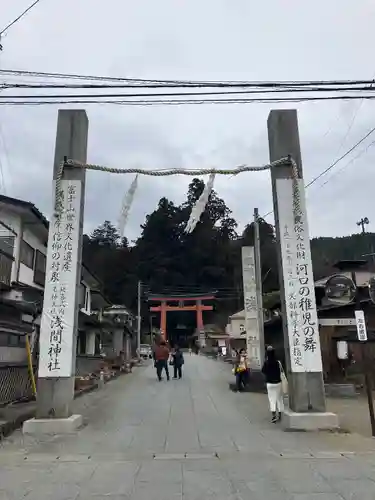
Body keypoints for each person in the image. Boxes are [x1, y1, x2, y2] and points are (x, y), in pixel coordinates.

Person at [262, 346, 284, 423]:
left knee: (272, 399)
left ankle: (274, 416)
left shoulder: (266, 362)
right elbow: (281, 371)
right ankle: (280, 415)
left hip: (270, 383)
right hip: (278, 382)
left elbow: (263, 371)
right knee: (279, 398)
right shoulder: (278, 362)